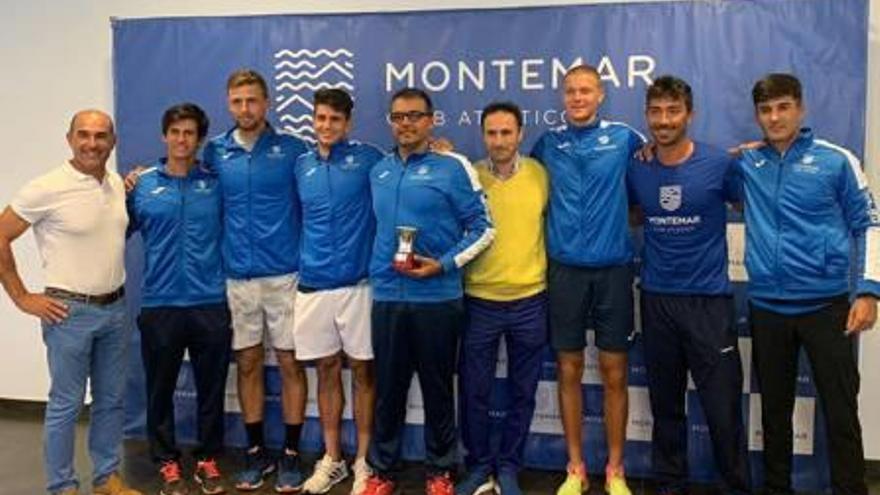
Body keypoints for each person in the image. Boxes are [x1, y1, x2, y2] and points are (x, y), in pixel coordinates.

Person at [737, 73, 879, 495]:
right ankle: (777, 489)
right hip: (767, 308)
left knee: (840, 412)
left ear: (801, 108)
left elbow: (868, 224)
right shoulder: (748, 162)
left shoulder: (837, 160)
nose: (774, 117)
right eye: (766, 109)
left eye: (783, 107)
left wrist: (869, 290)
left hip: (827, 307)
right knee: (774, 416)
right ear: (757, 115)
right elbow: (696, 170)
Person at [361, 87, 494, 495]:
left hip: (437, 299)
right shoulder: (379, 170)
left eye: (415, 116)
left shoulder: (453, 166)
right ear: (391, 122)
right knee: (388, 390)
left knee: (438, 390)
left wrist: (443, 264)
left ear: (431, 120)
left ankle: (440, 470)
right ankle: (382, 470)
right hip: (386, 296)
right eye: (399, 117)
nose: (406, 123)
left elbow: (484, 228)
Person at [0, 110, 140, 495]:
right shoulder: (46, 187)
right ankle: (62, 486)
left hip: (114, 309)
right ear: (69, 139)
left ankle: (106, 478)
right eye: (84, 135)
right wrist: (22, 297)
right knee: (66, 404)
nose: (92, 143)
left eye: (100, 136)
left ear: (112, 141)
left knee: (110, 401)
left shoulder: (114, 183)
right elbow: (1, 234)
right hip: (68, 314)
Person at [627, 76, 751, 494]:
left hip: (708, 303)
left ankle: (734, 485)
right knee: (665, 404)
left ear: (689, 115)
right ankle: (668, 483)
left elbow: (746, 203)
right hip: (658, 299)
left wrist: (762, 154)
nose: (664, 120)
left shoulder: (720, 164)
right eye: (656, 112)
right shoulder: (637, 165)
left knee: (722, 407)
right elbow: (634, 216)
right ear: (647, 115)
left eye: (672, 111)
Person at [530, 64, 644, 495]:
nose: (578, 98)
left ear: (601, 96)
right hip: (564, 273)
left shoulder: (625, 139)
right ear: (563, 98)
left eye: (586, 91)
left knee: (615, 371)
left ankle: (616, 469)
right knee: (568, 368)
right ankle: (575, 467)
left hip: (614, 270)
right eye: (570, 92)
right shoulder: (547, 144)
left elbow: (643, 196)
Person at [202, 69, 309, 492]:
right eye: (237, 102)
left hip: (283, 275)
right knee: (247, 363)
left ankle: (291, 454)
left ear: (267, 103)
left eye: (252, 101)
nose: (245, 109)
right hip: (236, 279)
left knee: (288, 364)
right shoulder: (214, 153)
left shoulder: (294, 150)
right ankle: (254, 452)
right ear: (229, 104)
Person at [127, 103, 231, 495]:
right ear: (164, 135)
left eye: (190, 133)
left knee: (211, 388)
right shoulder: (142, 186)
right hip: (160, 305)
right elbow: (113, 229)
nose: (182, 139)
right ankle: (167, 462)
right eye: (175, 132)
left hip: (209, 303)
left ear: (199, 139)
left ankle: (207, 458)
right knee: (160, 388)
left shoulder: (215, 183)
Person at [293, 89, 384, 495]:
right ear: (313, 120)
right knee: (326, 371)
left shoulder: (370, 159)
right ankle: (333, 458)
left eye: (334, 120)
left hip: (358, 285)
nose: (326, 126)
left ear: (347, 123)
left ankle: (364, 459)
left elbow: (404, 167)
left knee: (364, 372)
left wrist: (439, 148)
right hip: (312, 285)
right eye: (320, 118)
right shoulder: (299, 166)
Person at [455, 101, 549, 495]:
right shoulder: (468, 177)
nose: (499, 141)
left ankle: (509, 466)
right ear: (483, 135)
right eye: (491, 133)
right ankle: (478, 466)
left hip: (531, 300)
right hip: (479, 301)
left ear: (520, 134)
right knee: (474, 391)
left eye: (506, 132)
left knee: (523, 391)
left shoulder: (541, 175)